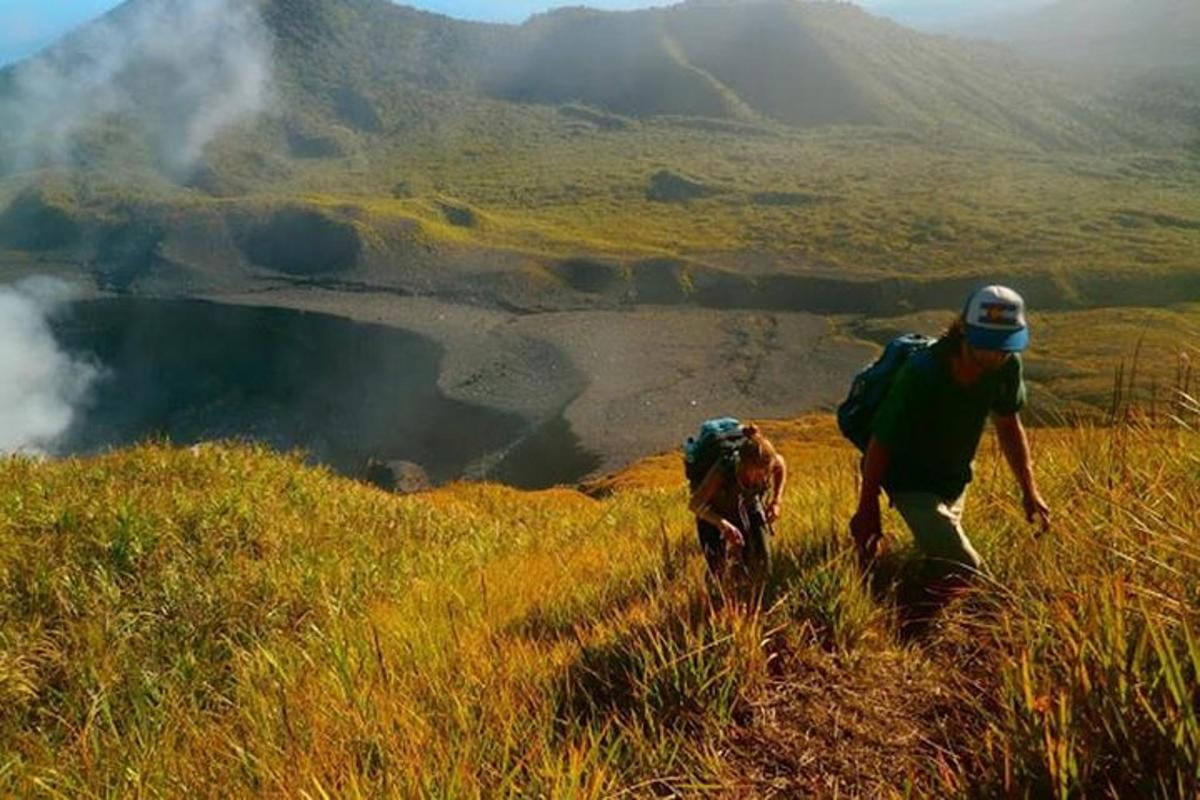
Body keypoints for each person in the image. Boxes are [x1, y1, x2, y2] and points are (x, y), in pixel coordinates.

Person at [849, 285, 1051, 586]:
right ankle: (879, 594)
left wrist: (1029, 490)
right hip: (908, 478)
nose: (997, 355)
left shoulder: (1007, 366)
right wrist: (867, 509)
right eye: (988, 345)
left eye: (1004, 346)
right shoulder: (922, 372)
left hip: (954, 478)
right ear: (964, 332)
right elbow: (882, 440)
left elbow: (1008, 425)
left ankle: (918, 597)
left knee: (943, 560)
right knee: (966, 567)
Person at [687, 422, 787, 577]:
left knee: (762, 563)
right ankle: (719, 594)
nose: (763, 478)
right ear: (744, 466)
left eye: (766, 473)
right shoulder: (725, 468)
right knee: (718, 569)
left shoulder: (768, 462)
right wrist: (722, 524)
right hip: (713, 512)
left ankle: (755, 590)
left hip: (748, 504)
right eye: (758, 474)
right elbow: (695, 504)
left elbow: (781, 464)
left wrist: (776, 501)